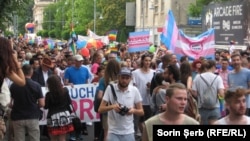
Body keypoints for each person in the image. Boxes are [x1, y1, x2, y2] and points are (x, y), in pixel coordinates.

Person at [98, 67, 144, 141]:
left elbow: (141, 112)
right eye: (122, 77)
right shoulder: (110, 88)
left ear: (130, 79)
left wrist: (133, 110)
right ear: (118, 77)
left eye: (127, 78)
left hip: (129, 131)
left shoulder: (134, 90)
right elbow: (100, 109)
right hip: (113, 131)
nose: (124, 80)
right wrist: (113, 106)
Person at [9, 64, 45, 141]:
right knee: (34, 138)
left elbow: (10, 103)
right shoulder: (36, 85)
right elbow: (42, 103)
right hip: (32, 116)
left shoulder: (13, 86)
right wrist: (35, 106)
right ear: (31, 73)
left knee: (19, 139)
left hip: (17, 116)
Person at [44, 75, 74, 141]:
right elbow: (69, 102)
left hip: (53, 116)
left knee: (53, 138)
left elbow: (46, 107)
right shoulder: (65, 91)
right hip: (64, 115)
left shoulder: (49, 94)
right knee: (62, 138)